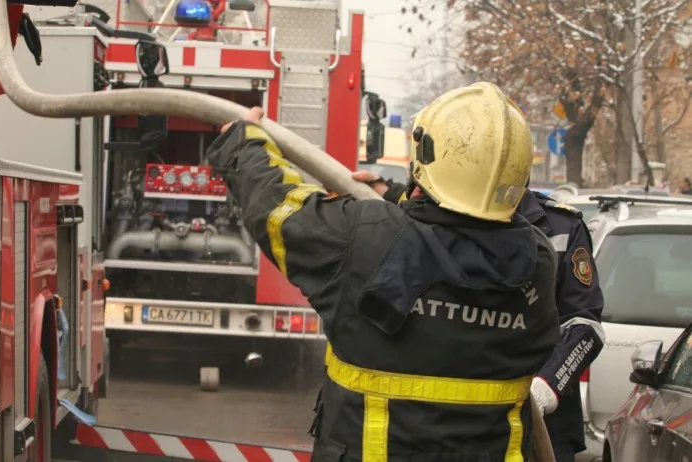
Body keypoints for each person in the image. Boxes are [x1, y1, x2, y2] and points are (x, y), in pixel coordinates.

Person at [206, 82, 560, 461]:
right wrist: (391, 195)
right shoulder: (538, 260)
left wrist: (243, 141)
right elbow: (458, 239)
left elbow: (275, 208)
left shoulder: (363, 237)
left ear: (425, 152)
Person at [355, 170, 605, 462]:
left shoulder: (561, 226)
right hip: (451, 424)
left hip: (544, 427)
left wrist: (546, 386)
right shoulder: (444, 213)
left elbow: (585, 325)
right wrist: (384, 190)